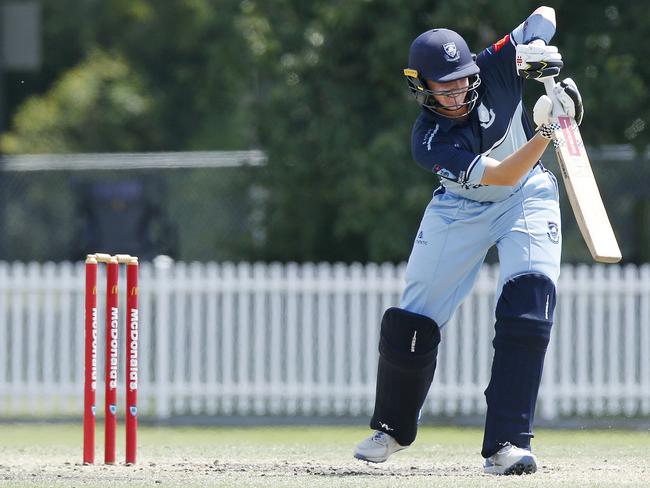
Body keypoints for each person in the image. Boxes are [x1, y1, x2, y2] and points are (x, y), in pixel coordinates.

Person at [353, 6, 583, 475]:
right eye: (445, 83)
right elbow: (498, 174)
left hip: (527, 197)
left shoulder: (496, 62)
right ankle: (392, 428)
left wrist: (537, 53)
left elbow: (544, 15)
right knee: (410, 322)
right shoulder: (429, 138)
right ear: (422, 87)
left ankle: (507, 444)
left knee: (528, 307)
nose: (458, 90)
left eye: (462, 78)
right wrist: (550, 127)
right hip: (460, 209)